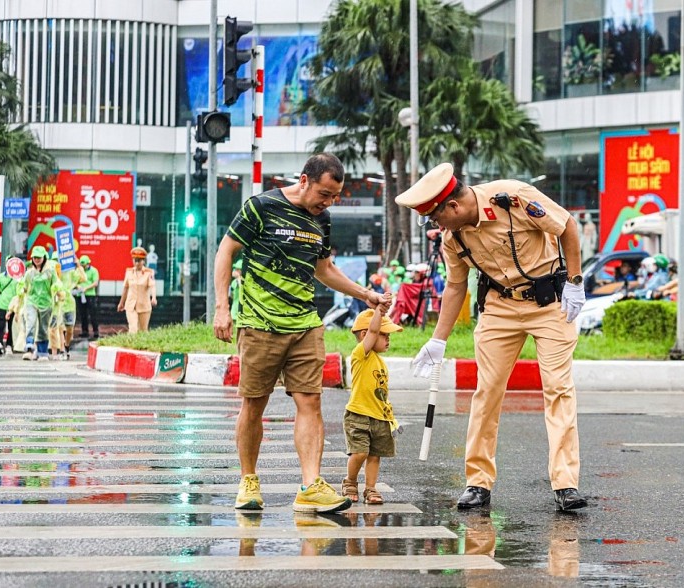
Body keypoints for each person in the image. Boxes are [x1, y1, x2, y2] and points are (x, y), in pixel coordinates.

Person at [396, 162, 588, 511]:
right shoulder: (452, 238)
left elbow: (567, 227)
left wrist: (574, 281)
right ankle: (478, 483)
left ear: (453, 207)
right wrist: (438, 339)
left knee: (558, 388)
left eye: (437, 218)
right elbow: (455, 286)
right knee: (486, 392)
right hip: (499, 306)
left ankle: (565, 485)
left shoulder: (513, 198)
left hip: (549, 304)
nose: (437, 227)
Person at [212, 153, 384, 514]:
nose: (328, 202)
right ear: (304, 180)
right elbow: (226, 251)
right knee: (254, 404)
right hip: (260, 323)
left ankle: (309, 486)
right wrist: (222, 308)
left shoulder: (322, 220)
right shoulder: (261, 206)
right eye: (324, 193)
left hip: (305, 324)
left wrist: (363, 293)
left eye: (334, 196)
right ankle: (248, 481)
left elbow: (324, 270)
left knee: (311, 402)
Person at [340, 299, 400, 505]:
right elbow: (373, 332)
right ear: (365, 335)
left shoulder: (380, 361)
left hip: (380, 417)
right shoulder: (361, 355)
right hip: (359, 414)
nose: (388, 338)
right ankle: (350, 482)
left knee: (375, 455)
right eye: (385, 334)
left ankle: (371, 488)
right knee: (360, 452)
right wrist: (379, 312)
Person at [19, 246, 59, 361]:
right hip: (32, 302)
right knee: (30, 323)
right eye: (34, 257)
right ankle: (29, 347)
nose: (36, 259)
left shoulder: (51, 271)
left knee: (43, 328)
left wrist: (58, 292)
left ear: (44, 258)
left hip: (46, 303)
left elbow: (56, 284)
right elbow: (23, 286)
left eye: (39, 257)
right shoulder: (29, 273)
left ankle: (42, 352)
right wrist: (22, 290)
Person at [117, 247, 158, 333]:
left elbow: (152, 286)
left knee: (143, 330)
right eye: (135, 260)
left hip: (144, 306)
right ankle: (130, 345)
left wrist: (153, 298)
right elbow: (125, 288)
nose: (137, 263)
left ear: (143, 261)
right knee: (133, 328)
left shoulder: (148, 273)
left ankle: (140, 346)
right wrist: (121, 303)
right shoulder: (129, 272)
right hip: (131, 305)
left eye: (139, 260)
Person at [75, 255, 100, 339]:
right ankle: (84, 331)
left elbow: (95, 283)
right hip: (80, 295)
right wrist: (78, 286)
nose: (83, 267)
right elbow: (74, 281)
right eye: (82, 265)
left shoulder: (94, 271)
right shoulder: (78, 271)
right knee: (82, 314)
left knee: (93, 313)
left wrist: (86, 288)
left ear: (88, 263)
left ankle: (95, 331)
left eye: (84, 265)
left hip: (90, 295)